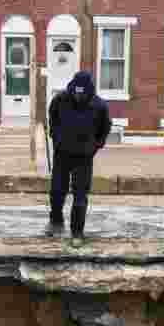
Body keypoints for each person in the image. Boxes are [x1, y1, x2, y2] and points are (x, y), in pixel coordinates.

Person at [47, 71, 112, 246]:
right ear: (72, 88)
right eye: (76, 92)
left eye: (82, 93)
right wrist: (56, 137)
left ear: (88, 92)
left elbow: (105, 129)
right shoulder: (60, 100)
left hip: (84, 156)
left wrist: (95, 146)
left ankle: (77, 232)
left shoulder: (99, 106)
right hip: (62, 154)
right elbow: (52, 118)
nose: (78, 96)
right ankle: (56, 221)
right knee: (56, 190)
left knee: (80, 195)